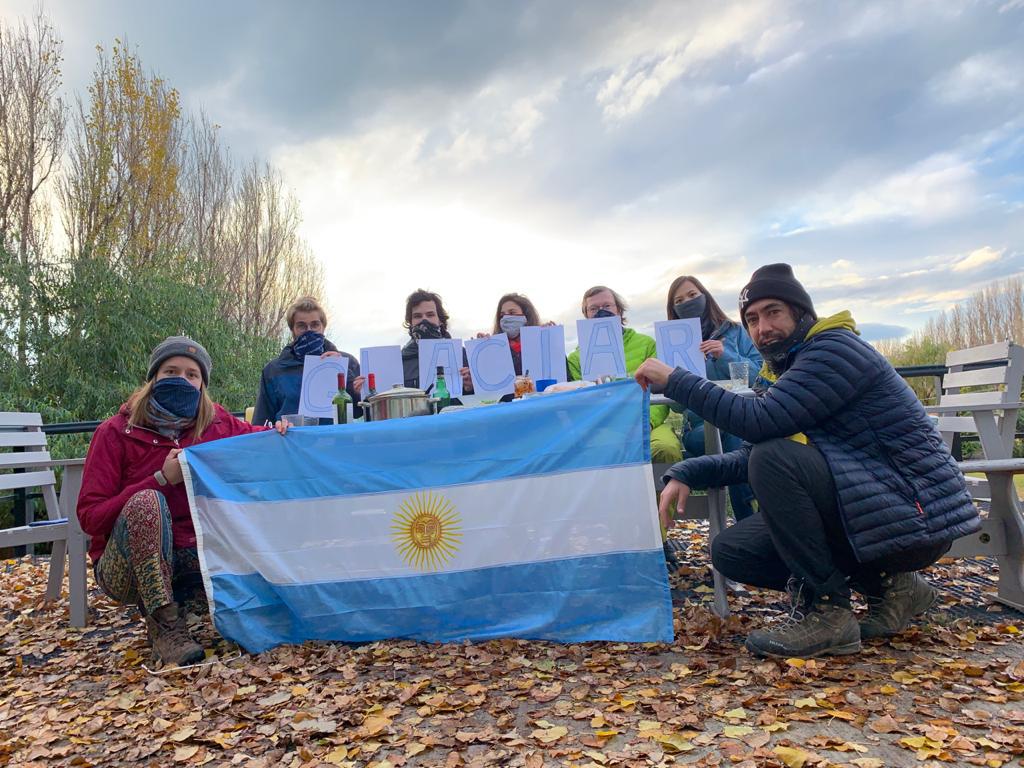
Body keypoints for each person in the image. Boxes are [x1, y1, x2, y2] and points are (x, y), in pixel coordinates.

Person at [635, 264, 980, 659]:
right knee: (732, 551)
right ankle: (892, 586)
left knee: (773, 458)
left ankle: (828, 613)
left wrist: (677, 380)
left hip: (914, 515)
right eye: (752, 319)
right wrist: (686, 470)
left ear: (802, 313)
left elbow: (759, 426)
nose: (762, 328)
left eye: (773, 312)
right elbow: (752, 452)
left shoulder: (834, 351)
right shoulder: (788, 369)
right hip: (871, 507)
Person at [77, 336, 290, 667]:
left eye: (192, 374)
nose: (182, 380)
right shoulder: (115, 433)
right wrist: (161, 480)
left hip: (196, 556)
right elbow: (90, 518)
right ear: (153, 379)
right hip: (126, 567)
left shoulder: (216, 422)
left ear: (202, 384)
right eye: (170, 371)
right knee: (147, 501)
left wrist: (279, 430)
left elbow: (258, 441)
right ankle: (165, 626)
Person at [666, 275, 762, 520]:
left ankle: (752, 519)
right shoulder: (671, 344)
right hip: (700, 428)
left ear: (705, 296)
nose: (687, 302)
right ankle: (750, 518)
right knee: (731, 432)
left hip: (741, 416)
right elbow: (677, 408)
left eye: (692, 295)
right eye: (679, 300)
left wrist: (725, 354)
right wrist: (678, 380)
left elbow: (760, 375)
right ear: (673, 309)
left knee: (736, 430)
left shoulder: (735, 332)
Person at [567, 285, 681, 465]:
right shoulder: (575, 358)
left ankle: (666, 494)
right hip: (602, 429)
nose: (601, 312)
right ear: (586, 315)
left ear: (619, 310)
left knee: (665, 449)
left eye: (607, 306)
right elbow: (579, 402)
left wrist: (647, 422)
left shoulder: (647, 344)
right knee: (600, 453)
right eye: (594, 309)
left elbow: (661, 389)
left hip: (648, 424)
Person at [253, 296, 360, 425]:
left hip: (334, 442)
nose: (309, 331)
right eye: (302, 326)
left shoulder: (348, 363)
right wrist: (277, 427)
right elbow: (262, 422)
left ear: (323, 327)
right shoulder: (273, 370)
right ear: (292, 330)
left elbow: (360, 412)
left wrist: (350, 381)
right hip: (291, 442)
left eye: (315, 325)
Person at [400, 289, 472, 394]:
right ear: (410, 322)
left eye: (430, 315)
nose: (424, 320)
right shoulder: (401, 361)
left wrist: (471, 386)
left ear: (440, 320)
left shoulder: (462, 355)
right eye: (417, 316)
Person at [486, 293, 542, 375]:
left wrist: (552, 339)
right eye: (502, 315)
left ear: (526, 315)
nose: (506, 318)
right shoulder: (494, 349)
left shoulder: (541, 343)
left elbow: (565, 379)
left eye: (512, 313)